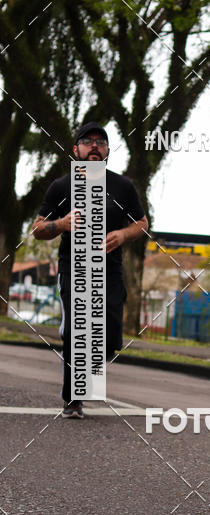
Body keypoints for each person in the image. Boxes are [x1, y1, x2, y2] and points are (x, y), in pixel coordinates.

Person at [32, 122, 149, 418]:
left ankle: (87, 371)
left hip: (109, 272)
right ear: (76, 150)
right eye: (87, 141)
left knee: (108, 336)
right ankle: (74, 398)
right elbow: (37, 229)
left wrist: (123, 235)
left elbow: (142, 223)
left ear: (108, 150)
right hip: (73, 269)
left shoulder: (122, 186)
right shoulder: (61, 187)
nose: (94, 146)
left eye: (101, 142)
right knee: (77, 332)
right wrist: (61, 224)